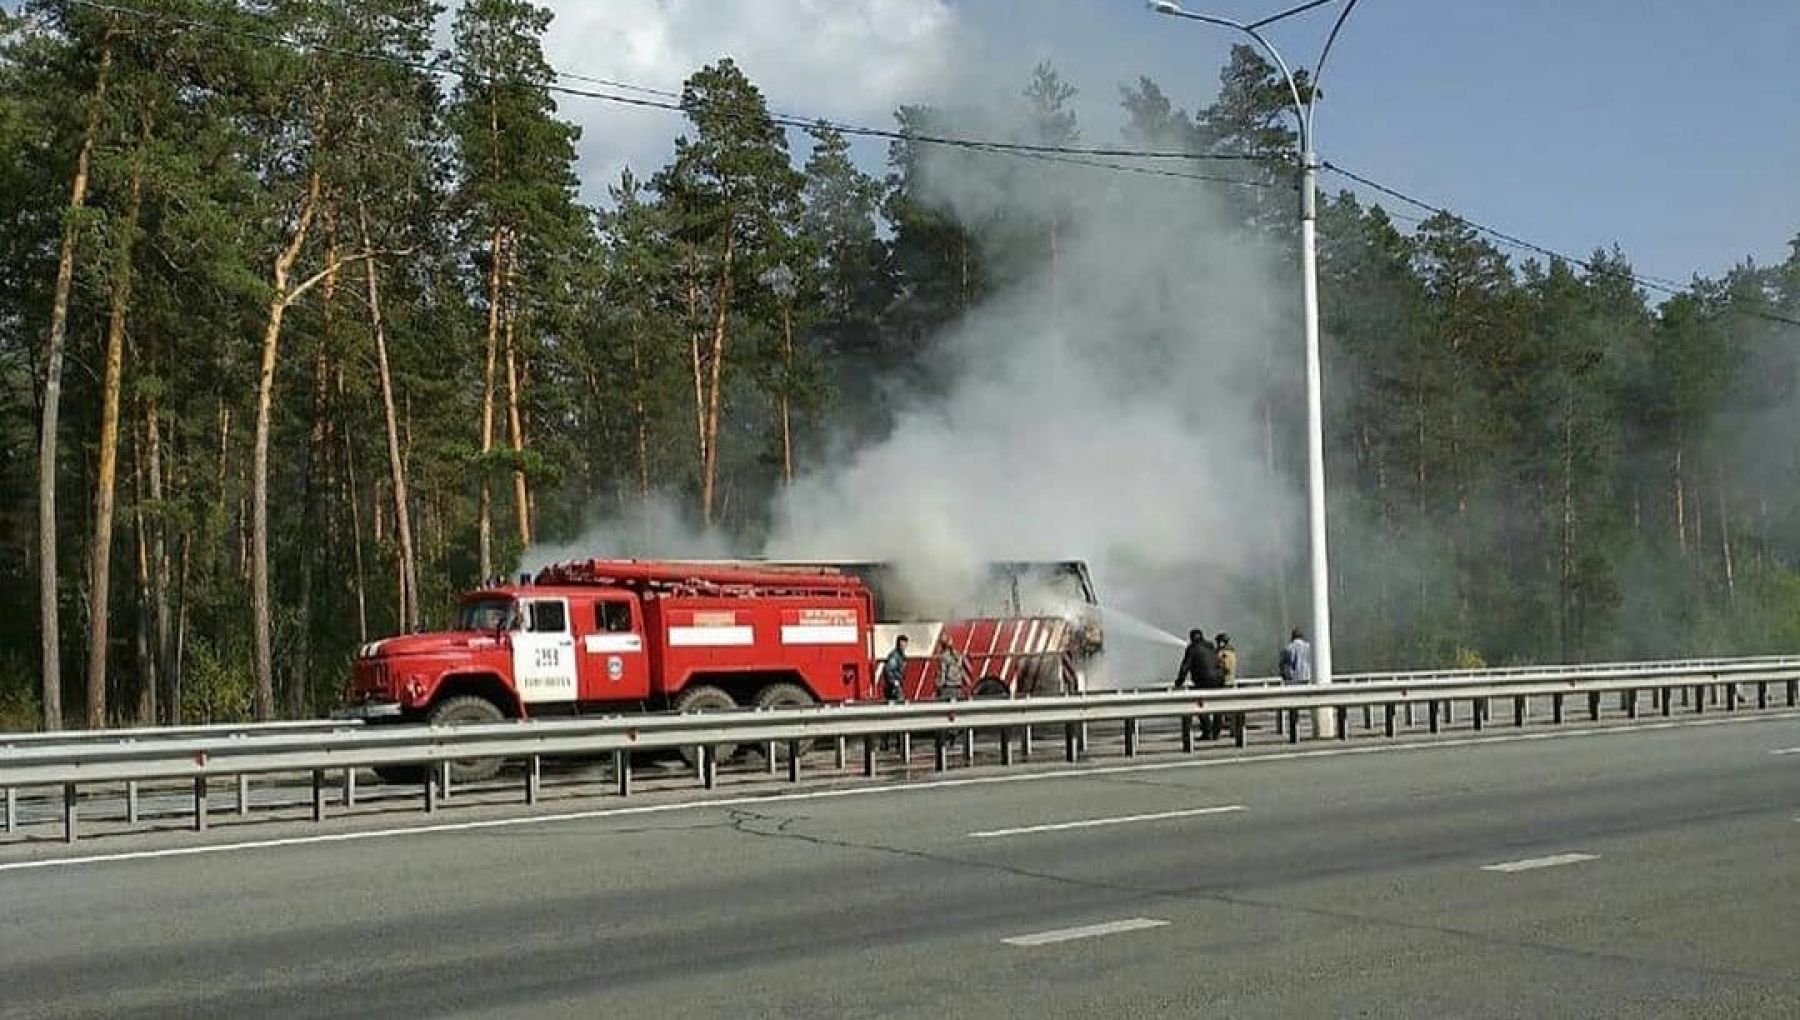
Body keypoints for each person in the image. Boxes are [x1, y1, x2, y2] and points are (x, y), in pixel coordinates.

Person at [1176, 629, 1226, 739]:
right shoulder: (1210, 646)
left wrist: (1179, 683)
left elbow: (1185, 667)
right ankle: (1216, 732)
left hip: (1203, 681)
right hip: (1219, 679)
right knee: (1218, 705)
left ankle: (1207, 731)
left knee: (1199, 704)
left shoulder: (1192, 649)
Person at [881, 635, 910, 702]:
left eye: (905, 644)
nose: (903, 646)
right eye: (902, 644)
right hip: (893, 686)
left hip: (896, 684)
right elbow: (888, 669)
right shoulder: (894, 656)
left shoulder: (901, 656)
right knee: (899, 702)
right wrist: (894, 682)